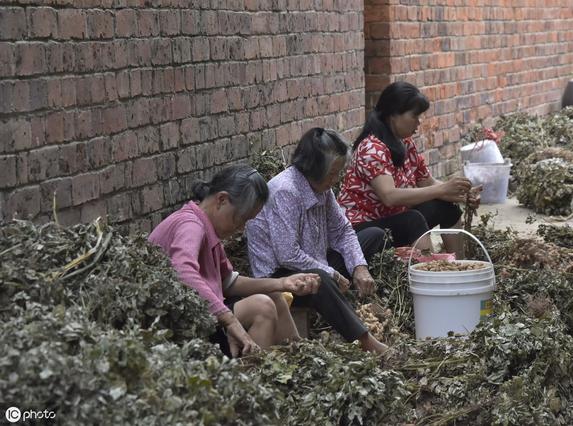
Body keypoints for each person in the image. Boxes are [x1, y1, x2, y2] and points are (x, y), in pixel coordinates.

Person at [148, 165, 321, 358]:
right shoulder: (190, 225)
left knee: (274, 296)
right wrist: (229, 320)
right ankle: (249, 382)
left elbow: (227, 282)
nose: (240, 228)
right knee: (261, 307)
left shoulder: (207, 226)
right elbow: (182, 271)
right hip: (175, 323)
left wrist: (281, 283)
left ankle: (301, 360)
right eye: (240, 219)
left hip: (204, 312)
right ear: (221, 200)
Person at [245, 128, 388, 353]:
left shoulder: (323, 189)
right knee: (320, 279)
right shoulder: (285, 191)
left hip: (314, 261)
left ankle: (347, 292)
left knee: (373, 235)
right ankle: (364, 339)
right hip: (279, 276)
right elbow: (288, 254)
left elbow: (343, 230)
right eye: (332, 173)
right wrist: (331, 273)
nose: (336, 179)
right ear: (313, 168)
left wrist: (359, 268)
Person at [337, 81, 481, 257]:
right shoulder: (372, 148)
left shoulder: (405, 143)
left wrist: (461, 195)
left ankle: (460, 266)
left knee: (446, 207)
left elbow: (427, 182)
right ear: (393, 115)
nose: (419, 122)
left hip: (392, 221)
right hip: (363, 230)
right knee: (413, 219)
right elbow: (389, 196)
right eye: (415, 116)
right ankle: (426, 273)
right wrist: (441, 189)